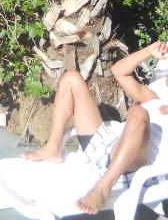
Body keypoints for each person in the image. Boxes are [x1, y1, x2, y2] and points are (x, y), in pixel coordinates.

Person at [24, 41, 168, 214]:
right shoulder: (153, 98)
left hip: (133, 167)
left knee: (138, 112)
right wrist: (148, 51)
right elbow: (119, 71)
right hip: (106, 145)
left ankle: (103, 188)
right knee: (71, 78)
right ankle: (53, 148)